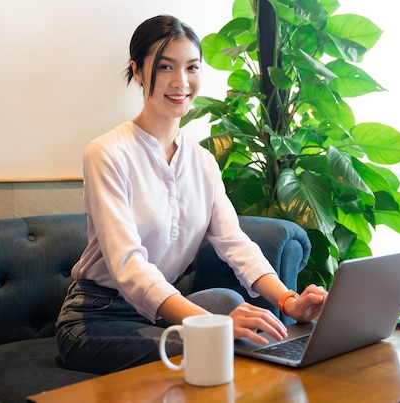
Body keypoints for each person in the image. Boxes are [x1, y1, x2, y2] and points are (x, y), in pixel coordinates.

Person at [55, 15, 327, 375]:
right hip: (95, 317)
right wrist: (211, 327)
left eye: (192, 67)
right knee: (214, 345)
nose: (180, 82)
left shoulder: (202, 162)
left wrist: (289, 301)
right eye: (166, 67)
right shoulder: (107, 152)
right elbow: (128, 266)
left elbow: (235, 243)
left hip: (158, 311)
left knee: (234, 308)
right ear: (137, 71)